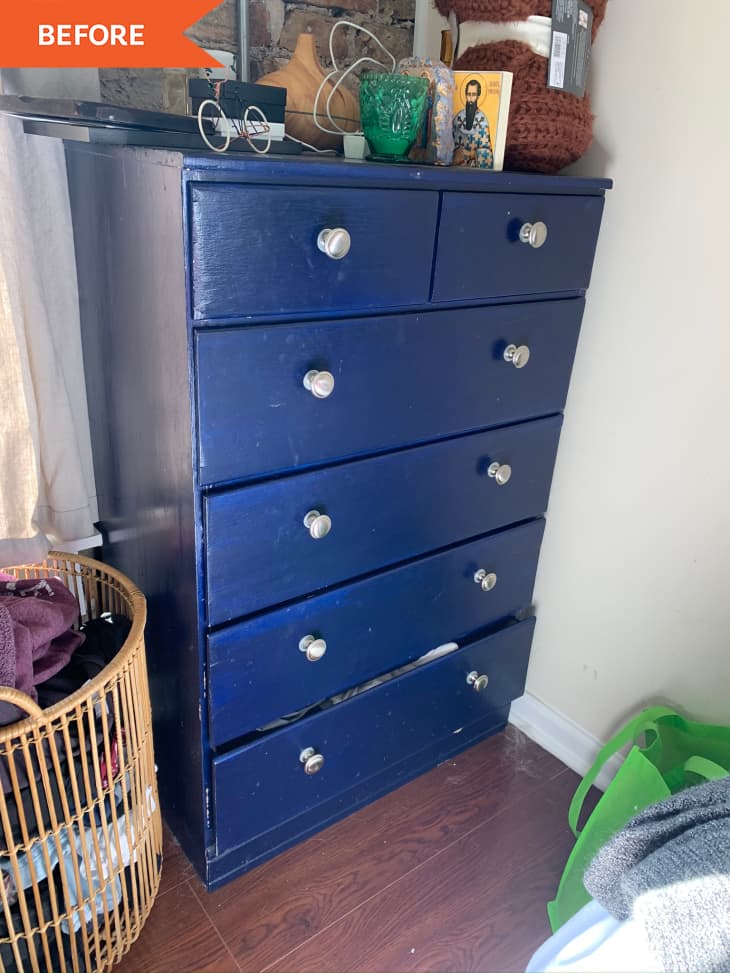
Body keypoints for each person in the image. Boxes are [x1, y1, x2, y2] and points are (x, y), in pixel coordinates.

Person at [452, 78, 494, 168]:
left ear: (478, 96)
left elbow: (488, 153)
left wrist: (471, 154)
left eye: (473, 94)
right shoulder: (458, 118)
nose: (470, 98)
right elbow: (447, 143)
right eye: (468, 94)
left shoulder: (482, 121)